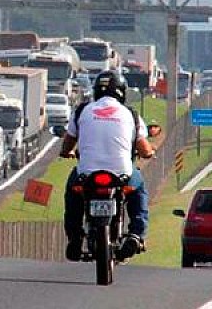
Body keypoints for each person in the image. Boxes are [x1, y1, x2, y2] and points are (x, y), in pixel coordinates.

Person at [59, 70, 155, 263]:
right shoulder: (131, 114)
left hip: (87, 174)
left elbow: (68, 143)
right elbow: (144, 150)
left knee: (73, 192)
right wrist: (150, 152)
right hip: (122, 174)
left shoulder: (82, 111)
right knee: (139, 190)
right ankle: (136, 234)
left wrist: (66, 152)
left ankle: (75, 237)